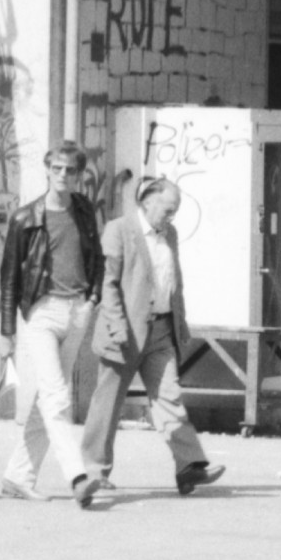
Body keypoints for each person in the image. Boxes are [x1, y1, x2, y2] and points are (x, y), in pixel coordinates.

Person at [83, 176, 225, 496]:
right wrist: (117, 325)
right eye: (168, 209)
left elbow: (174, 280)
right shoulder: (119, 230)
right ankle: (93, 471)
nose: (171, 217)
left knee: (169, 397)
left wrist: (180, 321)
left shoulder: (170, 234)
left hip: (160, 330)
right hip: (124, 331)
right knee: (108, 403)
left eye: (175, 212)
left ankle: (188, 467)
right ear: (147, 201)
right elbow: (107, 283)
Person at [0, 141, 106, 509]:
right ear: (47, 170)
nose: (63, 175)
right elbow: (9, 277)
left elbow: (98, 260)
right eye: (57, 168)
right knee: (58, 397)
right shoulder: (25, 218)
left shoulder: (85, 211)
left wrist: (92, 300)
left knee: (48, 398)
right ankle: (77, 476)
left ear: (79, 175)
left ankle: (18, 476)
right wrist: (7, 334)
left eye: (70, 170)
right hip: (41, 312)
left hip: (77, 310)